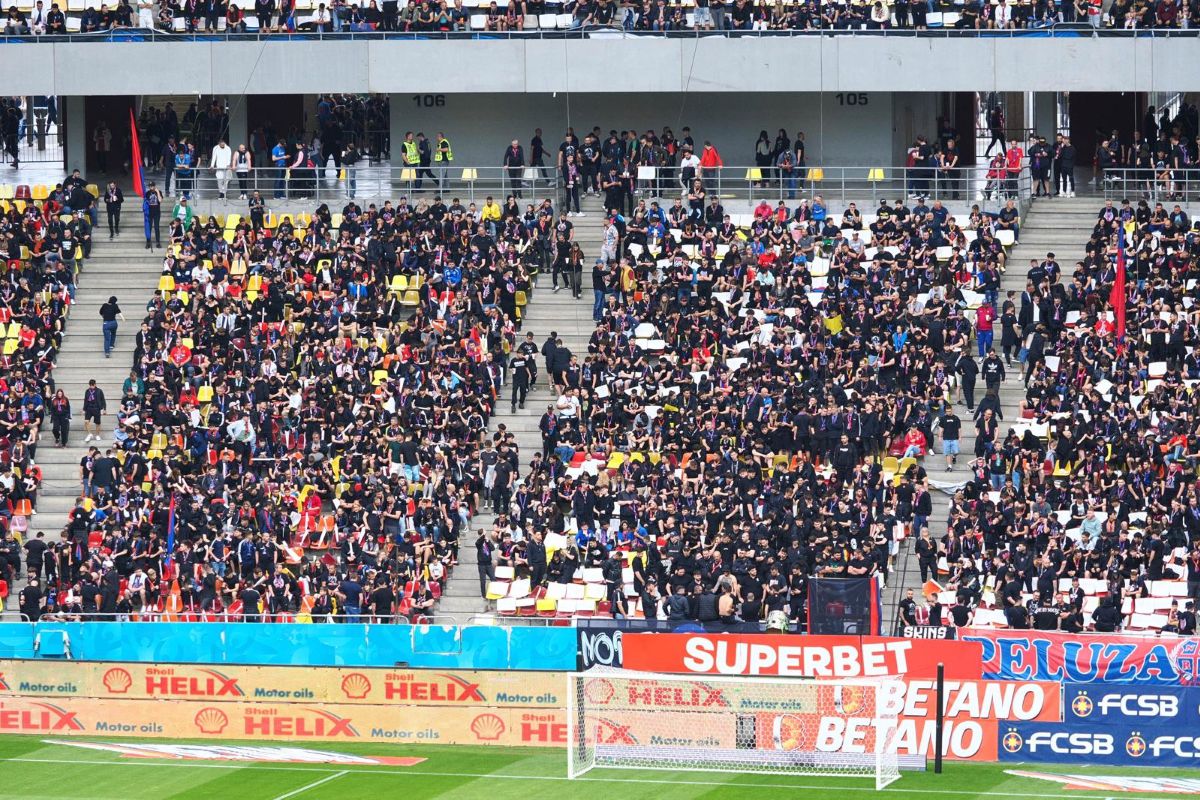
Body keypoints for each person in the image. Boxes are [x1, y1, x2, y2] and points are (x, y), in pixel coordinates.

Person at [143, 180, 162, 250]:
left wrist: (157, 192)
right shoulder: (147, 193)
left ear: (154, 186)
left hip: (157, 213)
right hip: (149, 213)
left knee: (156, 227)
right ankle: (148, 242)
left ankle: (158, 242)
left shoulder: (159, 192)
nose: (151, 187)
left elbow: (160, 200)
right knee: (149, 228)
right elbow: (145, 202)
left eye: (152, 186)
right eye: (150, 186)